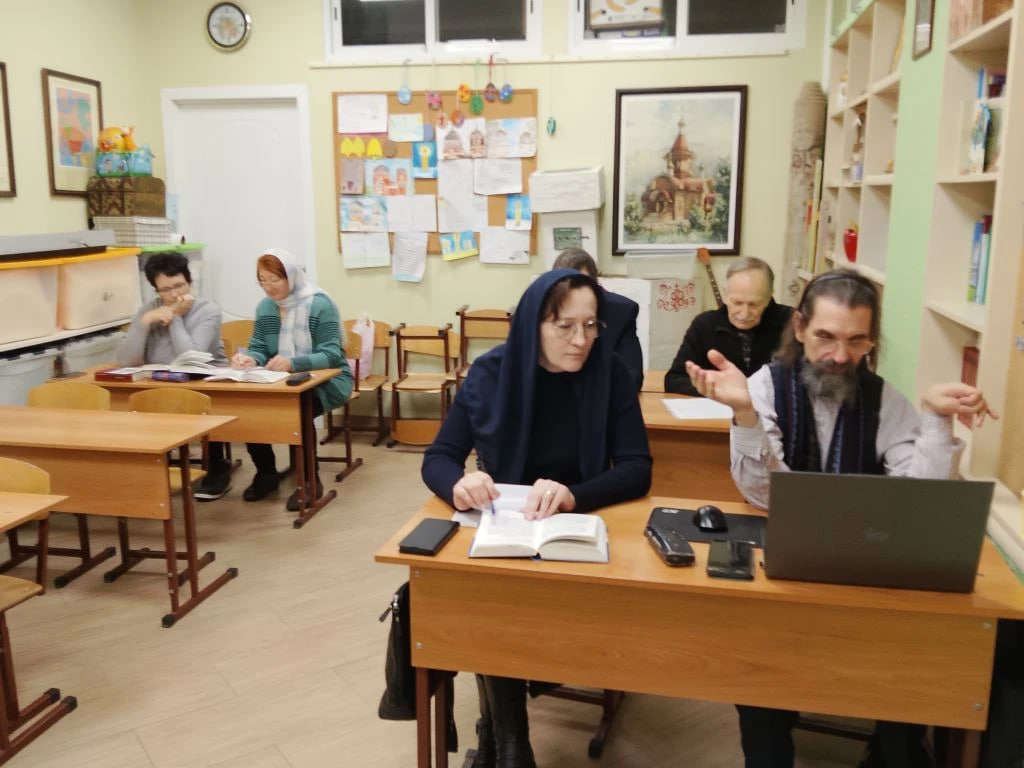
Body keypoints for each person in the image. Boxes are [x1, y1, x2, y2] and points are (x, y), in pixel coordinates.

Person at [684, 269, 998, 768]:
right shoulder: (762, 387)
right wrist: (745, 415)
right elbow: (762, 494)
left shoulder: (884, 398)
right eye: (826, 337)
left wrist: (936, 421)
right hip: (783, 574)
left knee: (916, 668)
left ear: (872, 340)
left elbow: (922, 499)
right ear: (800, 328)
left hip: (865, 573)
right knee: (757, 672)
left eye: (856, 341)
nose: (840, 356)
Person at [421, 269, 652, 767]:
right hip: (502, 530)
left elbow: (637, 469)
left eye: (591, 325)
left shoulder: (609, 372)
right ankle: (510, 741)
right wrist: (459, 484)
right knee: (481, 596)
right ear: (533, 325)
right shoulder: (490, 373)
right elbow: (438, 457)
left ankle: (496, 734)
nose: (581, 340)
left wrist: (573, 495)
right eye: (565, 326)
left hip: (576, 532)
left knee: (499, 603)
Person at [231, 249, 353, 511]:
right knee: (250, 409)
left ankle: (309, 480)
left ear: (292, 276)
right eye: (262, 281)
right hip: (281, 380)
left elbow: (332, 355)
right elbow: (259, 347)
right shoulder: (265, 307)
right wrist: (249, 359)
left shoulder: (319, 304)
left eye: (274, 279)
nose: (268, 287)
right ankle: (266, 474)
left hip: (328, 379)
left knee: (298, 409)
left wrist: (293, 363)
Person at [116, 251, 233, 501]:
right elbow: (128, 360)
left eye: (179, 285)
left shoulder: (208, 310)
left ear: (189, 281)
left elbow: (192, 359)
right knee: (133, 403)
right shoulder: (149, 310)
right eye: (165, 290)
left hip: (203, 381)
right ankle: (155, 465)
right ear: (155, 290)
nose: (174, 294)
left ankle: (217, 467)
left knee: (202, 401)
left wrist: (175, 317)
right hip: (160, 381)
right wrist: (143, 323)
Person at [665, 256, 792, 396]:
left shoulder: (792, 323)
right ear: (725, 295)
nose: (744, 314)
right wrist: (721, 390)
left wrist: (754, 394)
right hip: (717, 406)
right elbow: (674, 380)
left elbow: (804, 382)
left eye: (754, 304)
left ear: (769, 297)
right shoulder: (704, 324)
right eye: (737, 303)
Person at [551, 248, 644, 391]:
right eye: (565, 287)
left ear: (596, 287)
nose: (574, 295)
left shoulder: (620, 312)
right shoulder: (542, 313)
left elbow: (632, 378)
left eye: (582, 286)